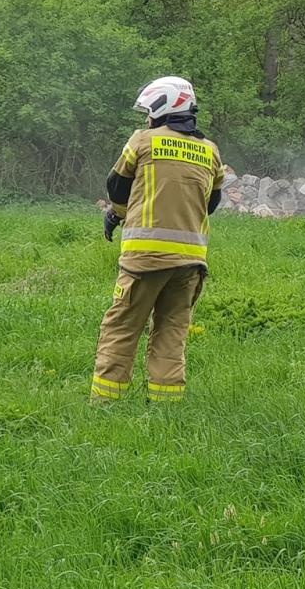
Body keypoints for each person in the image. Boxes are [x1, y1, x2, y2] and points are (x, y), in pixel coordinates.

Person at [93, 76, 224, 405]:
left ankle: (105, 406)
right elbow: (212, 202)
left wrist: (117, 214)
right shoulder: (210, 151)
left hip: (145, 259)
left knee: (121, 329)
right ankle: (166, 408)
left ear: (164, 108)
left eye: (149, 112)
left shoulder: (143, 141)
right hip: (191, 263)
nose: (147, 119)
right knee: (172, 333)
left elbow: (117, 186)